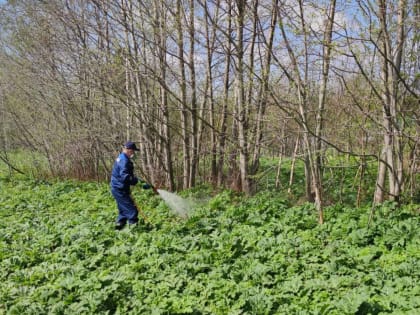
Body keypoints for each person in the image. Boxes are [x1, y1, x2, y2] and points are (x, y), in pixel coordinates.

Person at [110, 141, 151, 230]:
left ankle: (118, 229)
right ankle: (134, 232)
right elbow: (125, 176)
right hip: (119, 189)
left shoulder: (122, 158)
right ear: (128, 150)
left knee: (123, 212)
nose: (133, 153)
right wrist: (139, 183)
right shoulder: (124, 160)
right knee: (132, 211)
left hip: (118, 188)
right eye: (133, 151)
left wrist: (137, 181)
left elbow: (126, 176)